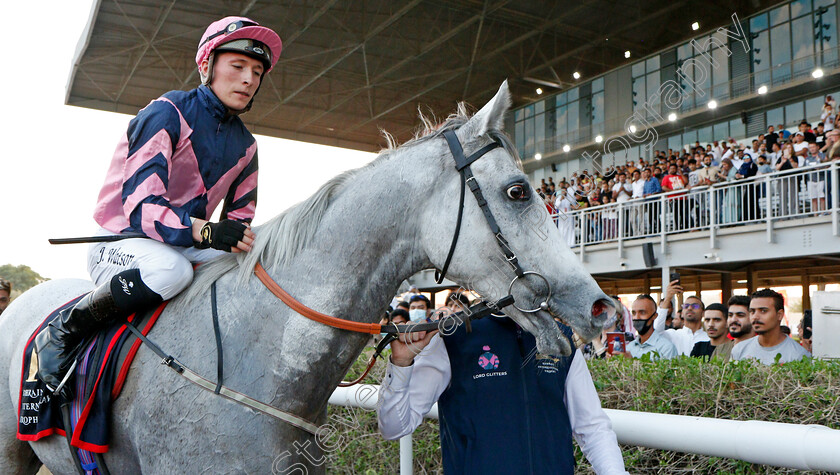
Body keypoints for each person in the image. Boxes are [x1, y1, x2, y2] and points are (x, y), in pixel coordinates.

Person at [33, 17, 283, 395]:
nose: (249, 79)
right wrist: (206, 231)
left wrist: (240, 241)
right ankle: (64, 329)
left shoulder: (247, 146)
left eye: (257, 72)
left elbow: (238, 221)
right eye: (237, 66)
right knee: (172, 270)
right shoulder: (167, 111)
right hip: (121, 241)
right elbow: (142, 206)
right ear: (206, 66)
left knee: (249, 273)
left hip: (184, 245)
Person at [377, 315, 629, 473]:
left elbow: (592, 427)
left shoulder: (561, 338)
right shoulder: (453, 337)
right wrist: (401, 363)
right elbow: (394, 427)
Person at [731, 289, 811, 364]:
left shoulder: (799, 355)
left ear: (779, 315)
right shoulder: (739, 350)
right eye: (752, 311)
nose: (755, 316)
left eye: (763, 311)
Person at [653, 280, 709, 356]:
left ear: (703, 313)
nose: (689, 308)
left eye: (695, 306)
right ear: (682, 313)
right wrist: (667, 298)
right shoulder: (672, 335)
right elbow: (656, 331)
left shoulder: (709, 338)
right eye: (686, 306)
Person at [626, 294, 677, 360]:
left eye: (642, 313)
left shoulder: (666, 348)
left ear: (654, 316)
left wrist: (631, 362)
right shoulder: (629, 348)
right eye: (634, 313)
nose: (637, 317)